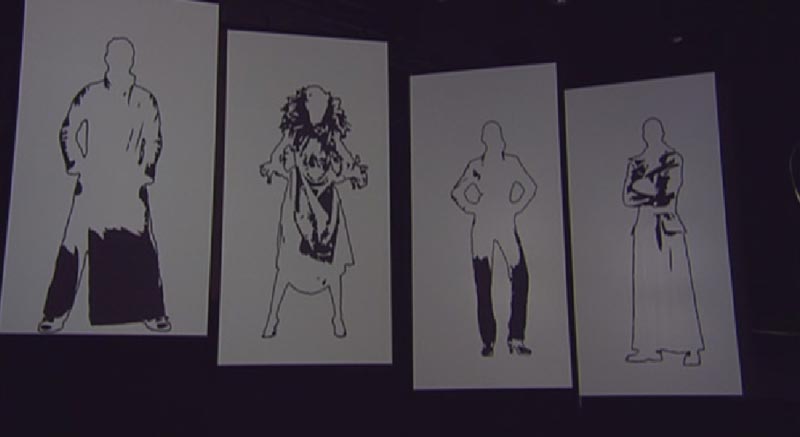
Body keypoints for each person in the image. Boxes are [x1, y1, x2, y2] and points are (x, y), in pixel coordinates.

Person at [37, 37, 171, 334]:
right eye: (115, 57)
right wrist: (78, 164)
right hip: (93, 183)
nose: (119, 62)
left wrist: (144, 173)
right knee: (73, 243)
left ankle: (153, 311)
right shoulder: (91, 94)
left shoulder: (145, 99)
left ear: (130, 61)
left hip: (131, 185)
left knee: (144, 245)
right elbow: (68, 130)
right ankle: (55, 313)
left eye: (124, 58)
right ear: (107, 59)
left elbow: (154, 139)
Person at [259, 85, 367, 338]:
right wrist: (272, 166)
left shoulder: (332, 134)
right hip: (298, 196)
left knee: (333, 264)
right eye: (312, 105)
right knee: (287, 265)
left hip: (327, 199)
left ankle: (337, 317)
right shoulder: (294, 133)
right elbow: (278, 153)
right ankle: (272, 317)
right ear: (304, 106)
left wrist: (355, 172)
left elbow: (346, 157)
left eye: (321, 106)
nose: (316, 111)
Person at [622, 117, 704, 366]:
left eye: (654, 131)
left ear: (660, 133)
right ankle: (648, 346)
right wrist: (651, 189)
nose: (651, 136)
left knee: (676, 285)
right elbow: (627, 197)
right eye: (648, 132)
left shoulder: (673, 158)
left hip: (667, 226)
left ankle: (690, 347)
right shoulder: (636, 162)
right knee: (646, 286)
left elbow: (666, 192)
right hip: (644, 227)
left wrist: (644, 188)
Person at [451, 121, 537, 357]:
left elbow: (530, 186)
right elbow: (457, 192)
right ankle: (488, 340)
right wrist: (473, 207)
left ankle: (515, 337)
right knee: (483, 282)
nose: (497, 143)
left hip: (505, 224)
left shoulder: (511, 163)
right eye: (493, 139)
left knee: (520, 276)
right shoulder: (476, 166)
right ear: (487, 141)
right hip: (483, 226)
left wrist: (514, 207)